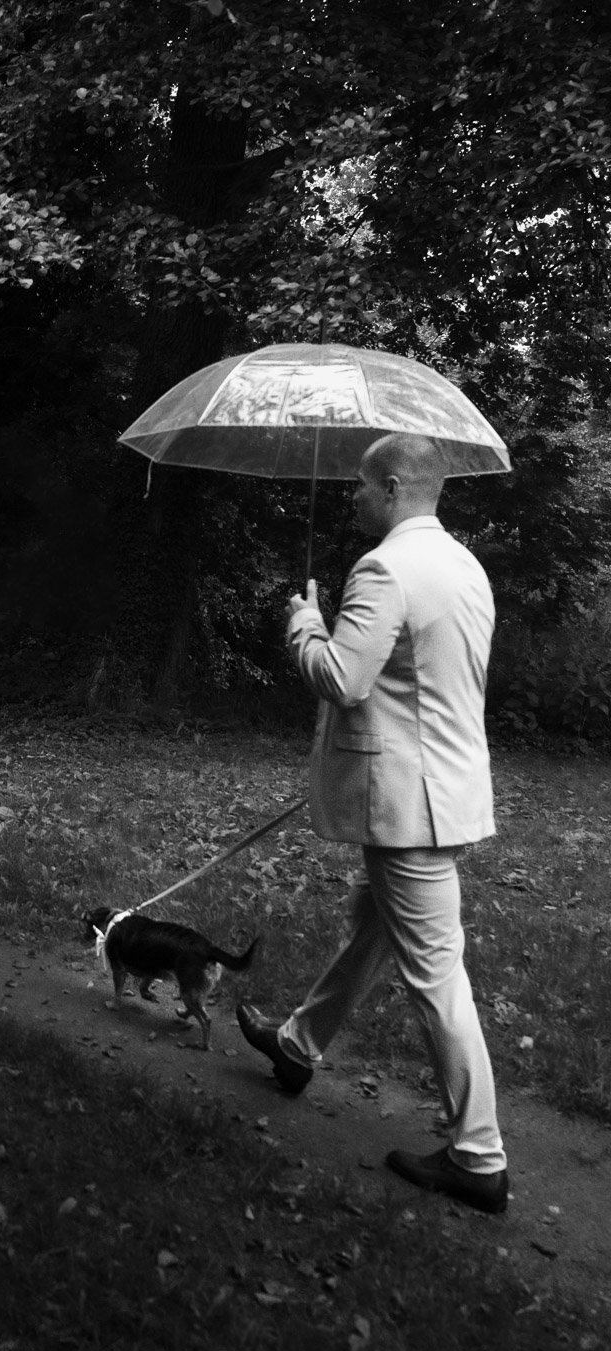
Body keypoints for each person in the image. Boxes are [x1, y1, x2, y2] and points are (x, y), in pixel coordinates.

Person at [236, 431, 509, 1214]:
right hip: (449, 790)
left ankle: (480, 1155)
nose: (352, 497)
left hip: (408, 805)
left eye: (360, 486)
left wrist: (303, 622)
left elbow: (341, 678)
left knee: (435, 972)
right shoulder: (465, 566)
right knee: (373, 923)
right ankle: (297, 1047)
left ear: (392, 487)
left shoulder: (386, 567)